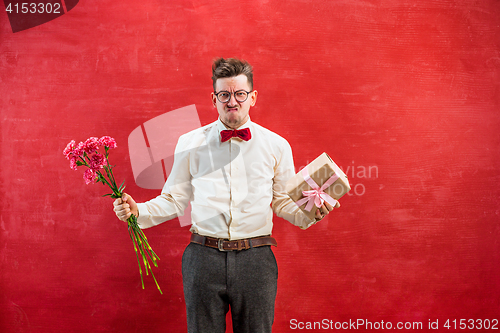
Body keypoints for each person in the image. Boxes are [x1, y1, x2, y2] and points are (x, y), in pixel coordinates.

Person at [113, 57, 339, 333]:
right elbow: (174, 199)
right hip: (202, 257)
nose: (233, 101)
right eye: (224, 94)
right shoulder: (190, 143)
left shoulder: (277, 146)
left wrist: (310, 213)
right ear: (214, 98)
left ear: (253, 97)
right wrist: (139, 211)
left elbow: (282, 202)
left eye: (240, 94)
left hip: (256, 259)